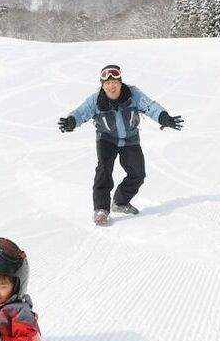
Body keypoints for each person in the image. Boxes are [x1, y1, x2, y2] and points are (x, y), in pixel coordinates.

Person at [58, 64, 184, 226]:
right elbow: (81, 112)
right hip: (106, 139)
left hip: (130, 139)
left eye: (115, 82)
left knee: (138, 174)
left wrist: (164, 118)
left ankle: (120, 202)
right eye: (107, 83)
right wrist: (71, 121)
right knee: (104, 170)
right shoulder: (95, 100)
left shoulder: (133, 94)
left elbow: (150, 106)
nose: (111, 86)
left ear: (120, 82)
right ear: (102, 85)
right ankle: (101, 209)